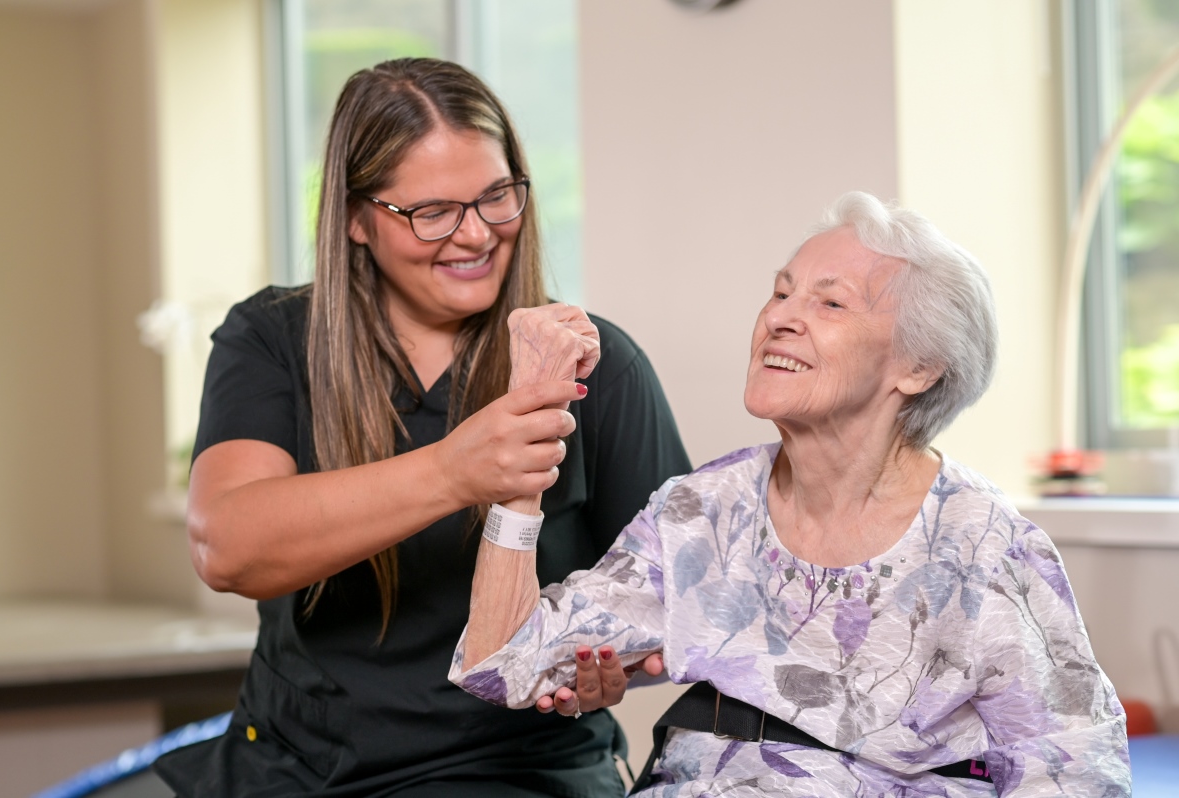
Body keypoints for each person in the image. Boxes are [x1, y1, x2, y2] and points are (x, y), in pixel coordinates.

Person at [452, 192, 1132, 796]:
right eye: (780, 293)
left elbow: (1074, 772)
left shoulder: (984, 548)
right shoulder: (703, 515)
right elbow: (504, 665)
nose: (781, 317)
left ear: (919, 366)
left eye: (829, 302)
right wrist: (522, 457)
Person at [152, 58, 689, 797]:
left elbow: (671, 599)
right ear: (355, 217)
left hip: (514, 774)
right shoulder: (274, 339)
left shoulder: (599, 363)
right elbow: (226, 547)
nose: (476, 235)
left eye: (497, 197)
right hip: (292, 769)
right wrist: (454, 470)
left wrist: (610, 669)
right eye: (432, 211)